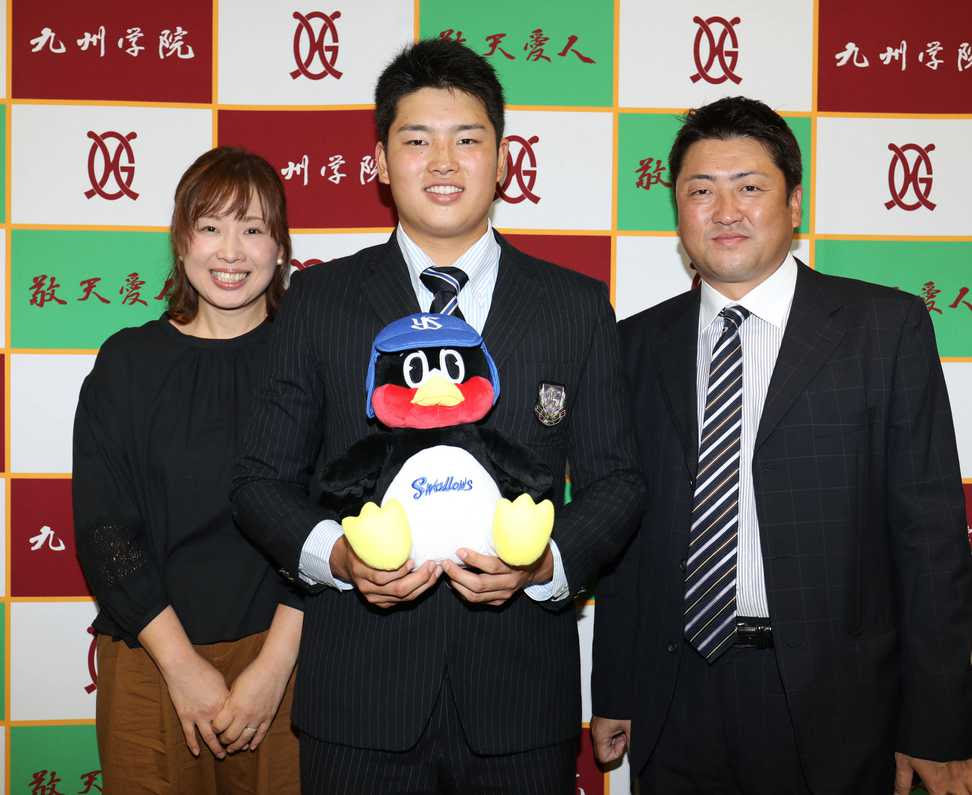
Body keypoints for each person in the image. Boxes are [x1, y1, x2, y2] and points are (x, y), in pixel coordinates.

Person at [231, 38, 644, 795]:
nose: (443, 162)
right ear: (381, 163)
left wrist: (545, 564)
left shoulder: (575, 307)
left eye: (467, 140)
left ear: (504, 160)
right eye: (417, 140)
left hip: (522, 702)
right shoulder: (320, 301)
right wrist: (339, 558)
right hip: (360, 699)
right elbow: (260, 480)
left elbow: (617, 481)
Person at [590, 95, 972, 795]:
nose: (724, 211)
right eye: (700, 191)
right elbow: (627, 533)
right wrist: (615, 684)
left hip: (838, 702)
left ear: (794, 203)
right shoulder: (634, 344)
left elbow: (933, 540)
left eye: (749, 187)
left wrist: (937, 721)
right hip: (676, 695)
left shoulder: (882, 329)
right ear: (678, 211)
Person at [74, 147, 303, 794]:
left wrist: (273, 666)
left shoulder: (308, 360)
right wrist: (181, 666)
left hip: (286, 662)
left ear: (280, 248)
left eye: (253, 228)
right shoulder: (128, 363)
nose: (231, 251)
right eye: (210, 227)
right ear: (181, 242)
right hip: (151, 658)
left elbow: (335, 514)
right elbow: (104, 528)